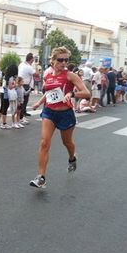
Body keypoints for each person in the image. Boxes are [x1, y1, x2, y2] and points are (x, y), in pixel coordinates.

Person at [30, 46, 90, 188]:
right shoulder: (48, 75)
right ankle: (41, 177)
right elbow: (50, 92)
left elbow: (86, 93)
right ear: (53, 61)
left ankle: (72, 157)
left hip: (65, 114)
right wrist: (39, 103)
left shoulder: (70, 75)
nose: (64, 63)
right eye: (60, 60)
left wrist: (72, 94)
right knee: (44, 143)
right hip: (49, 112)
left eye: (66, 60)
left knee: (67, 142)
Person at [0, 64, 18, 129]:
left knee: (2, 108)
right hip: (6, 94)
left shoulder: (5, 76)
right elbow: (10, 87)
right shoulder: (11, 78)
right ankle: (4, 123)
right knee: (5, 108)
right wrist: (15, 85)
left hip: (2, 92)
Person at [18, 53, 35, 122]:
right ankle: (21, 116)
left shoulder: (21, 64)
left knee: (22, 101)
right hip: (25, 85)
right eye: (33, 59)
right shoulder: (29, 67)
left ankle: (23, 113)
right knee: (24, 101)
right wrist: (36, 65)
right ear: (31, 59)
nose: (34, 60)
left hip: (21, 83)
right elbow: (36, 74)